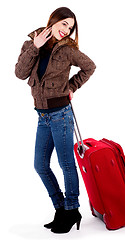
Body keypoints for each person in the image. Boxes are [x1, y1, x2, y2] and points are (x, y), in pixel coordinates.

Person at [15, 7, 96, 234]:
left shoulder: (68, 51)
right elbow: (20, 73)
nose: (66, 30)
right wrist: (35, 48)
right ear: (53, 21)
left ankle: (72, 210)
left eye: (70, 28)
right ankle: (61, 208)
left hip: (61, 114)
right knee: (40, 165)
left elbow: (90, 66)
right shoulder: (31, 44)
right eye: (64, 24)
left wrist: (71, 86)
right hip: (42, 116)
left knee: (66, 164)